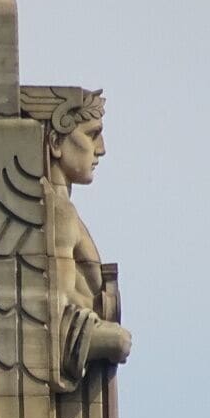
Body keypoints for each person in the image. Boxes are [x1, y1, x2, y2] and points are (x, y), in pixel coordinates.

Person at [21, 86, 132, 381]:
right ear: (56, 142)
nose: (101, 148)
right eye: (92, 135)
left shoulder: (61, 210)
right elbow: (50, 314)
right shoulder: (55, 213)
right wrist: (107, 340)